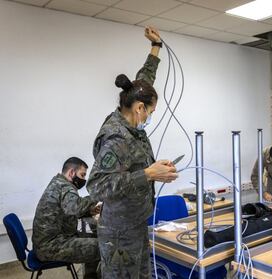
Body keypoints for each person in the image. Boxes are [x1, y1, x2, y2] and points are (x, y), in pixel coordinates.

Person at [86, 26, 178, 279]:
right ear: (139, 108)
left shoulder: (130, 113)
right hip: (119, 233)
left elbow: (143, 81)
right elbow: (96, 186)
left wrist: (155, 47)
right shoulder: (117, 137)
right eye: (150, 110)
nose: (150, 116)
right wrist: (148, 173)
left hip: (135, 223)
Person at [32, 157, 101, 279]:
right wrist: (99, 194)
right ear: (71, 173)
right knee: (103, 246)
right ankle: (93, 275)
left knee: (93, 234)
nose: (83, 179)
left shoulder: (58, 183)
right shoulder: (65, 187)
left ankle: (90, 275)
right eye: (82, 175)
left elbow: (67, 210)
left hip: (48, 241)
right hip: (50, 246)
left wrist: (88, 212)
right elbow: (75, 207)